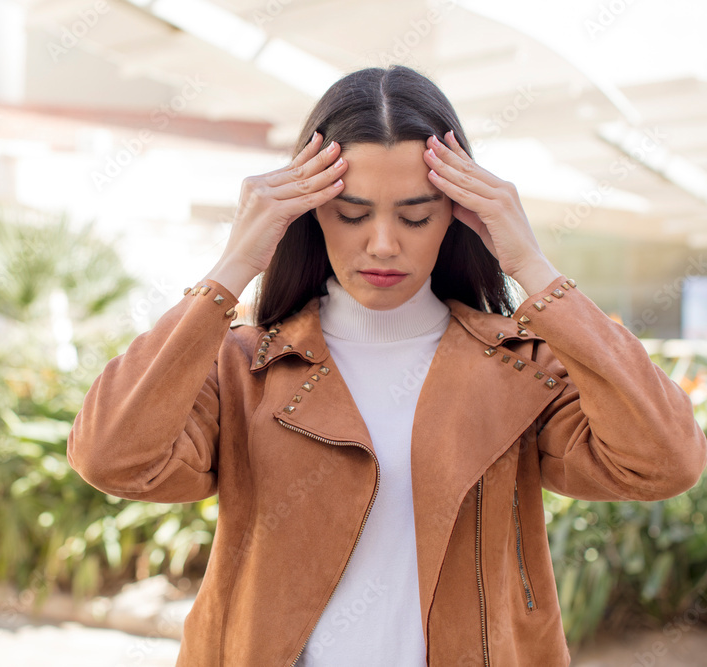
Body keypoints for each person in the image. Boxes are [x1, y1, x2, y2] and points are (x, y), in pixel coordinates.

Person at [66, 65, 707, 666]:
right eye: (351, 213)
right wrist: (235, 265)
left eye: (415, 214)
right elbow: (112, 457)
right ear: (310, 212)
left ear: (459, 215)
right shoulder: (245, 366)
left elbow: (664, 461)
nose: (382, 244)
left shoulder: (521, 369)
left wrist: (532, 266)